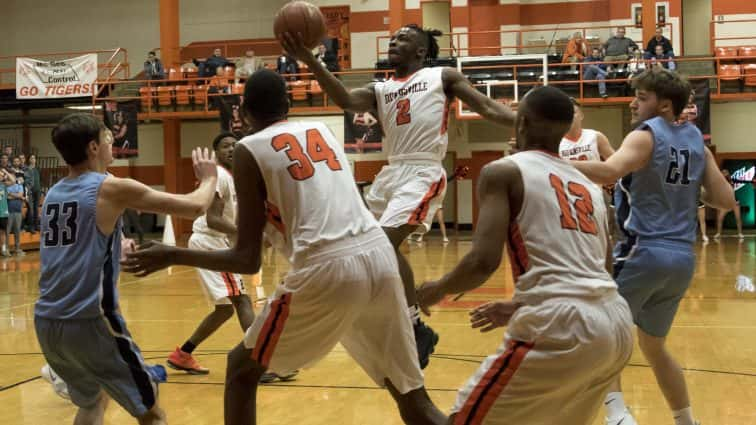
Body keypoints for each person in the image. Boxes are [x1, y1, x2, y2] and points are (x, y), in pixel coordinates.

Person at [123, 69, 447, 425]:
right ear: (289, 104)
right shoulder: (321, 130)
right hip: (380, 256)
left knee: (240, 371)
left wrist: (172, 254)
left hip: (327, 267)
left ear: (243, 114)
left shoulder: (248, 148)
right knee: (412, 397)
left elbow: (246, 259)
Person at [280, 24, 518, 368]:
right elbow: (345, 100)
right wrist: (310, 60)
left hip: (422, 170)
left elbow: (488, 108)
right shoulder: (381, 89)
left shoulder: (442, 76)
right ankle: (414, 324)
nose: (394, 41)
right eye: (392, 38)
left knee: (379, 244)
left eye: (403, 38)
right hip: (391, 173)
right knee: (362, 243)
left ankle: (410, 323)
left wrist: (526, 121)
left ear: (421, 51)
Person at [416, 86, 634, 425]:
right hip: (616, 324)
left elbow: (482, 262)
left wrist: (436, 288)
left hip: (560, 326)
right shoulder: (590, 187)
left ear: (522, 122)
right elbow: (598, 272)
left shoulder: (503, 171)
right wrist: (522, 305)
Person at [572, 68, 736, 425]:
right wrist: (688, 190)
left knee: (601, 336)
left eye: (641, 97)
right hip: (681, 259)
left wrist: (549, 161)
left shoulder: (644, 135)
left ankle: (617, 416)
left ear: (663, 105)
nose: (633, 102)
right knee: (653, 346)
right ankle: (686, 421)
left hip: (642, 251)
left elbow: (609, 171)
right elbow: (724, 200)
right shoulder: (696, 140)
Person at [34, 113, 218, 425]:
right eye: (108, 140)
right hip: (91, 321)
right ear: (93, 147)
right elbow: (196, 206)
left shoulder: (53, 194)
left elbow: (78, 240)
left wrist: (117, 243)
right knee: (152, 412)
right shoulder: (112, 188)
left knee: (93, 402)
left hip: (47, 322)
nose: (112, 146)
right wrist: (210, 177)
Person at [714, 169, 745, 240]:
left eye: (726, 172)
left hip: (734, 202)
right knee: (720, 218)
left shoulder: (731, 181)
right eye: (723, 172)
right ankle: (718, 233)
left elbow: (732, 188)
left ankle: (740, 233)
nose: (724, 173)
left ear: (728, 174)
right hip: (725, 203)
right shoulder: (718, 182)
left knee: (738, 218)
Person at [6, 175, 25, 256]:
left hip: (18, 211)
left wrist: (11, 194)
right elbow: (7, 196)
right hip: (8, 212)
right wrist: (17, 196)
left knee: (17, 231)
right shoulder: (6, 186)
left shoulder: (20, 186)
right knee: (7, 232)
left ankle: (17, 249)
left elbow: (20, 195)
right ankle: (6, 249)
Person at [0, 168, 12, 256]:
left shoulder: (3, 185)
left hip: (3, 213)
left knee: (3, 232)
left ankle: (3, 250)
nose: (1, 176)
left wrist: (6, 172)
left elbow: (13, 181)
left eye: (1, 175)